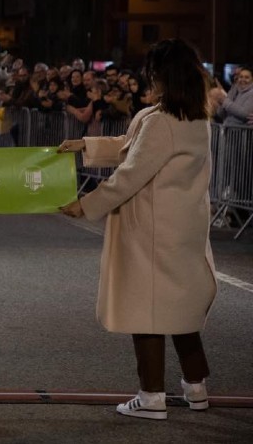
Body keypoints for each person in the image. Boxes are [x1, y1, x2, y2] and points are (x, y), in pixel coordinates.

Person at [58, 38, 217, 421]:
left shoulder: (162, 120)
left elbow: (130, 174)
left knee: (146, 312)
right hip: (181, 227)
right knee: (179, 310)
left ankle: (150, 397)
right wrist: (85, 145)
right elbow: (133, 147)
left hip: (152, 229)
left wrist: (87, 204)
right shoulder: (193, 116)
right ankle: (196, 388)